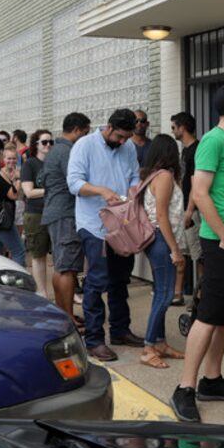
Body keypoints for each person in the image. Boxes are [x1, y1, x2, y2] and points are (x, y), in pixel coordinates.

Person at [172, 82, 224, 423]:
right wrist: (223, 235)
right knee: (208, 316)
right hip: (220, 241)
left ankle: (212, 379)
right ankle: (185, 388)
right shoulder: (211, 141)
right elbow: (200, 192)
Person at [68, 109, 144, 361]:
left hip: (123, 224)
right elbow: (74, 183)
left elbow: (134, 174)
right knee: (97, 281)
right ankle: (94, 340)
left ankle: (120, 331)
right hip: (93, 225)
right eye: (120, 136)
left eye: (127, 138)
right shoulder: (84, 145)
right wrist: (101, 190)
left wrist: (134, 192)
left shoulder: (129, 147)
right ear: (109, 127)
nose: (123, 142)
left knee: (121, 280)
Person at [139, 134, 187, 368]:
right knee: (166, 294)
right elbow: (161, 217)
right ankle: (148, 347)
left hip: (156, 240)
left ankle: (160, 342)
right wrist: (175, 249)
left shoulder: (153, 176)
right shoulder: (165, 176)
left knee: (161, 291)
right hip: (161, 240)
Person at [41, 113, 89, 326]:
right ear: (77, 130)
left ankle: (62, 313)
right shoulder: (67, 152)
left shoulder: (54, 150)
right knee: (68, 268)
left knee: (61, 266)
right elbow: (75, 181)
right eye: (85, 133)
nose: (85, 138)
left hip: (54, 212)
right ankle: (67, 316)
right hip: (65, 214)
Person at [169, 111, 200, 307]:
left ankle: (201, 296)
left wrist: (189, 211)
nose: (173, 131)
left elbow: (197, 185)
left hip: (195, 210)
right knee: (191, 253)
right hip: (186, 208)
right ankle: (195, 294)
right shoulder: (185, 151)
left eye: (174, 127)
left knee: (200, 255)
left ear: (182, 128)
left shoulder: (196, 150)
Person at [20, 129, 53, 299]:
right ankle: (42, 291)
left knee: (59, 256)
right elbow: (29, 192)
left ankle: (69, 292)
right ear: (36, 145)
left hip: (54, 212)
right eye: (44, 142)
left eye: (50, 142)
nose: (48, 145)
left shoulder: (54, 162)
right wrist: (50, 190)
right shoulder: (30, 164)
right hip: (36, 213)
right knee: (38, 255)